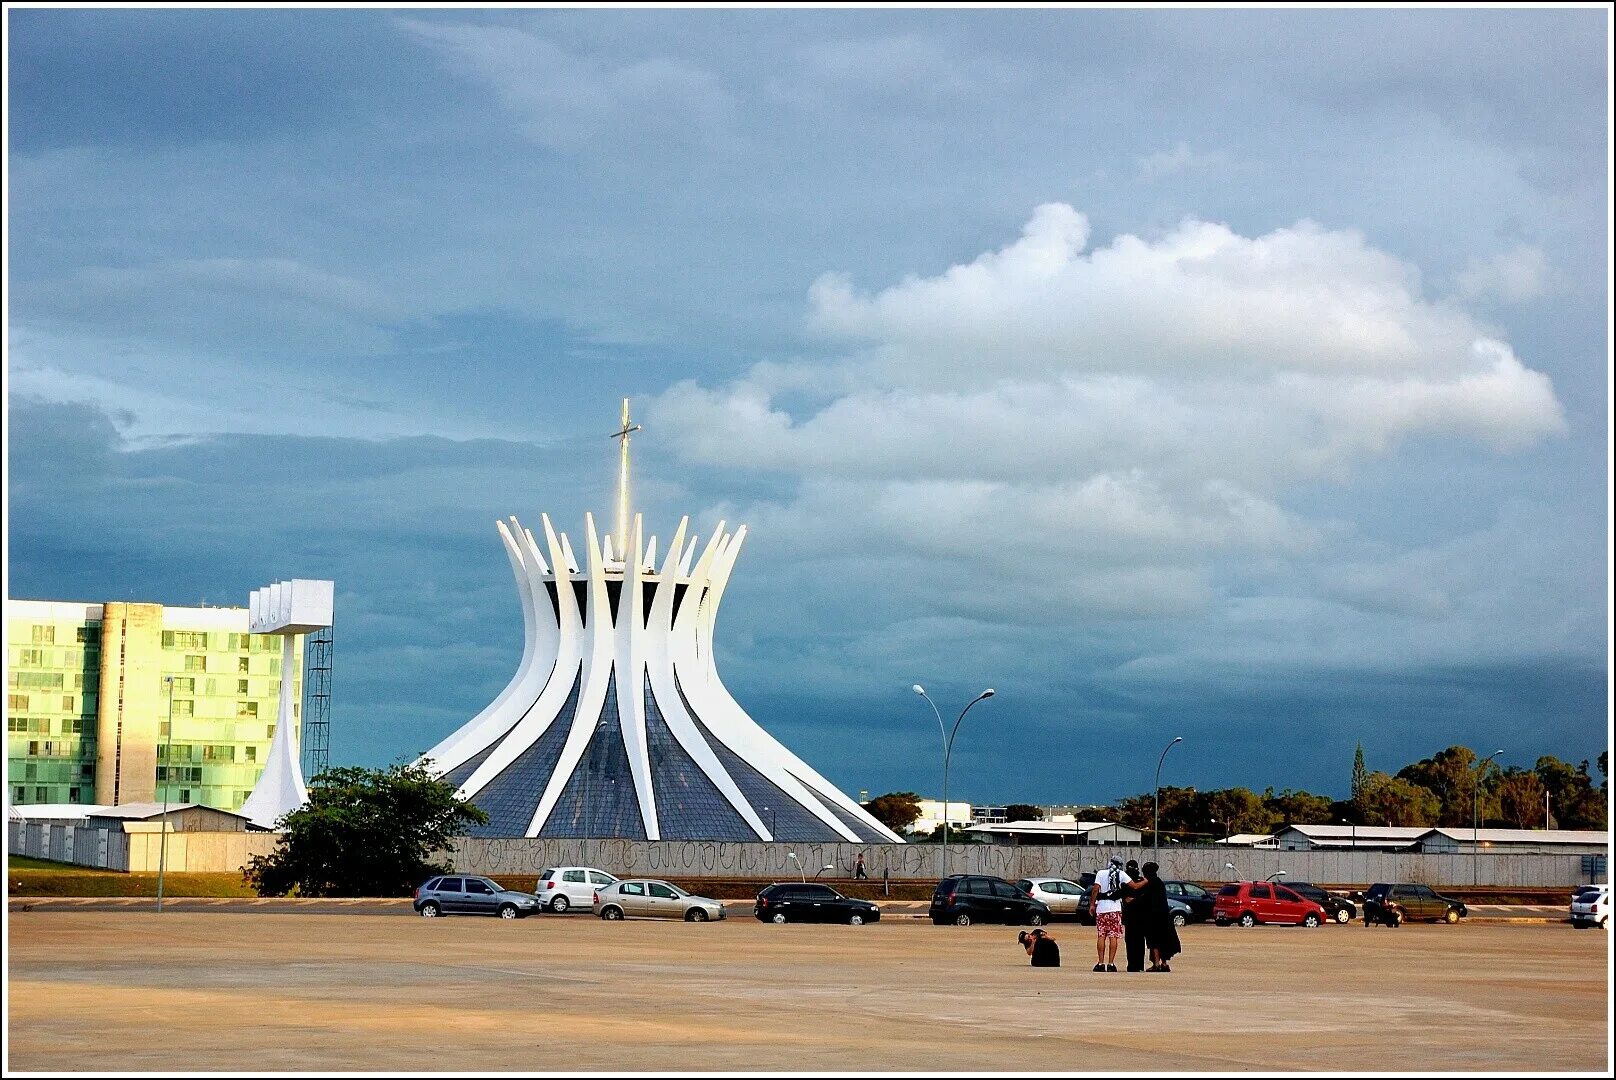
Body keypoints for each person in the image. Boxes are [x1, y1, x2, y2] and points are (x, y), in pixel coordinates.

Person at [1138, 861, 1182, 972]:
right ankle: (1164, 963)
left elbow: (1145, 899)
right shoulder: (1160, 882)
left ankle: (1156, 964)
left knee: (1154, 941)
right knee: (1164, 939)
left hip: (1152, 916)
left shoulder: (1148, 883)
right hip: (1164, 916)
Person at [1089, 856, 1130, 971]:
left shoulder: (1101, 873)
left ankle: (1101, 963)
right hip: (1115, 909)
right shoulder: (1121, 874)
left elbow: (1095, 889)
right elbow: (1133, 885)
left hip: (1102, 908)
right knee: (1113, 936)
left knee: (1101, 936)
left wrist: (1092, 904)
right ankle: (1111, 963)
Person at [1119, 858, 1148, 972]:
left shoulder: (1125, 881)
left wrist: (1132, 900)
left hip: (1131, 916)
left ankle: (1132, 965)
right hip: (1139, 915)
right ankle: (1138, 965)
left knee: (1131, 942)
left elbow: (1126, 898)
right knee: (1139, 942)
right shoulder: (1141, 881)